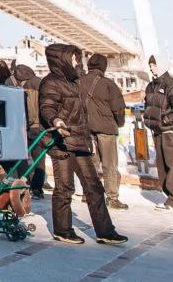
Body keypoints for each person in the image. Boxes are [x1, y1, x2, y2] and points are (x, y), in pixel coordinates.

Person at [38, 43, 127, 245]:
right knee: (65, 187)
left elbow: (82, 115)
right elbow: (47, 107)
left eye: (78, 58)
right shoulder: (50, 83)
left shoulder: (75, 82)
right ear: (62, 60)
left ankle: (105, 231)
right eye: (74, 58)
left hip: (79, 141)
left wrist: (87, 138)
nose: (77, 62)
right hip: (61, 142)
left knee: (94, 187)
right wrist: (56, 121)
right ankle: (63, 229)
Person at [80, 53, 128, 209]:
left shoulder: (79, 82)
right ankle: (112, 197)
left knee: (91, 164)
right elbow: (118, 109)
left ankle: (89, 195)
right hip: (106, 130)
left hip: (87, 129)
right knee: (109, 164)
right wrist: (119, 124)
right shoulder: (108, 85)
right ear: (104, 67)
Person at [143, 55, 173, 212]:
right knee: (162, 167)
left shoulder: (171, 85)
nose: (151, 67)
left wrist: (164, 121)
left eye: (154, 64)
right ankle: (170, 198)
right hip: (157, 132)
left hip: (170, 132)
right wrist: (148, 120)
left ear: (161, 66)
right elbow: (148, 106)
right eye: (150, 65)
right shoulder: (151, 86)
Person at [13, 63, 48, 200]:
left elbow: (30, 112)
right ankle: (37, 188)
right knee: (40, 159)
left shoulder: (25, 87)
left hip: (29, 127)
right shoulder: (41, 83)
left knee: (22, 157)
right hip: (40, 128)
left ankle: (24, 185)